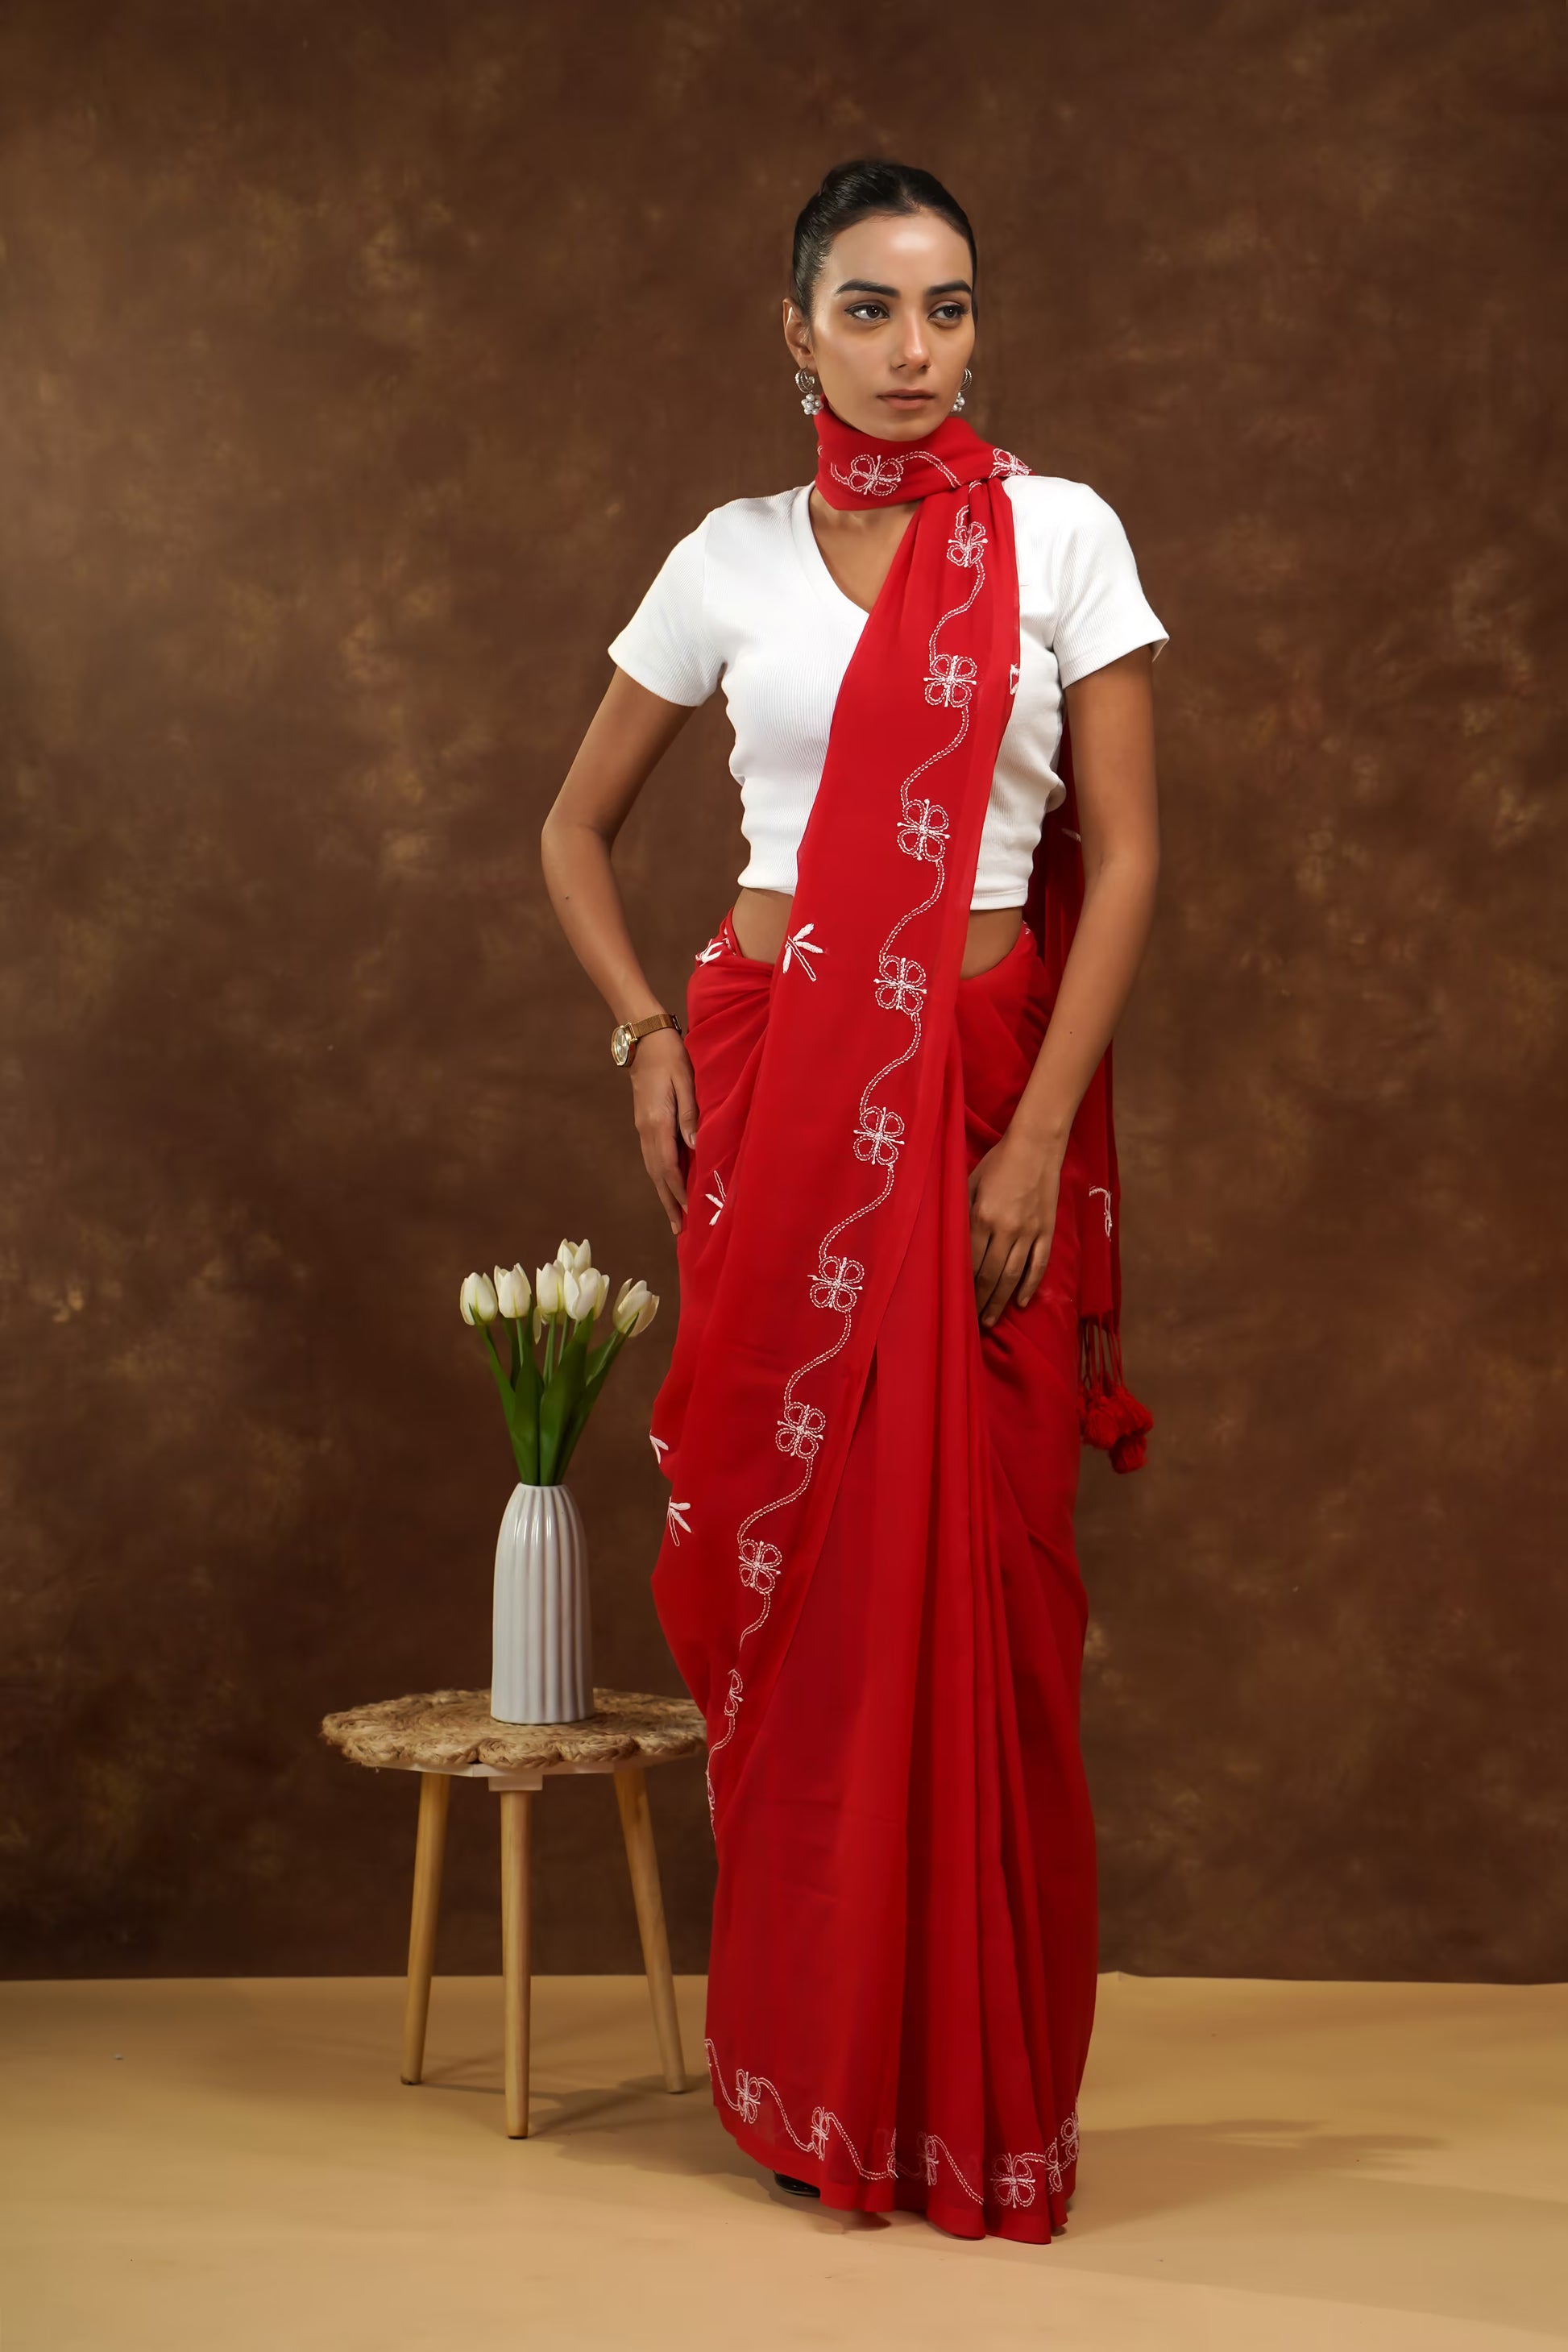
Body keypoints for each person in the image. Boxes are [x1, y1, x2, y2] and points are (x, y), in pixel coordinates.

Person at [541, 157, 1166, 2244]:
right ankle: (817, 2075)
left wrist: (1032, 1136)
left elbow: (1126, 861)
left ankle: (967, 2094)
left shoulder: (1057, 536)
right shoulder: (723, 558)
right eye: (873, 310)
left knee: (984, 1582)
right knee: (798, 1582)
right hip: (781, 1098)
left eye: (949, 308)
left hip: (980, 1093)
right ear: (794, 332)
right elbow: (570, 829)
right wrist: (645, 1034)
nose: (916, 351)